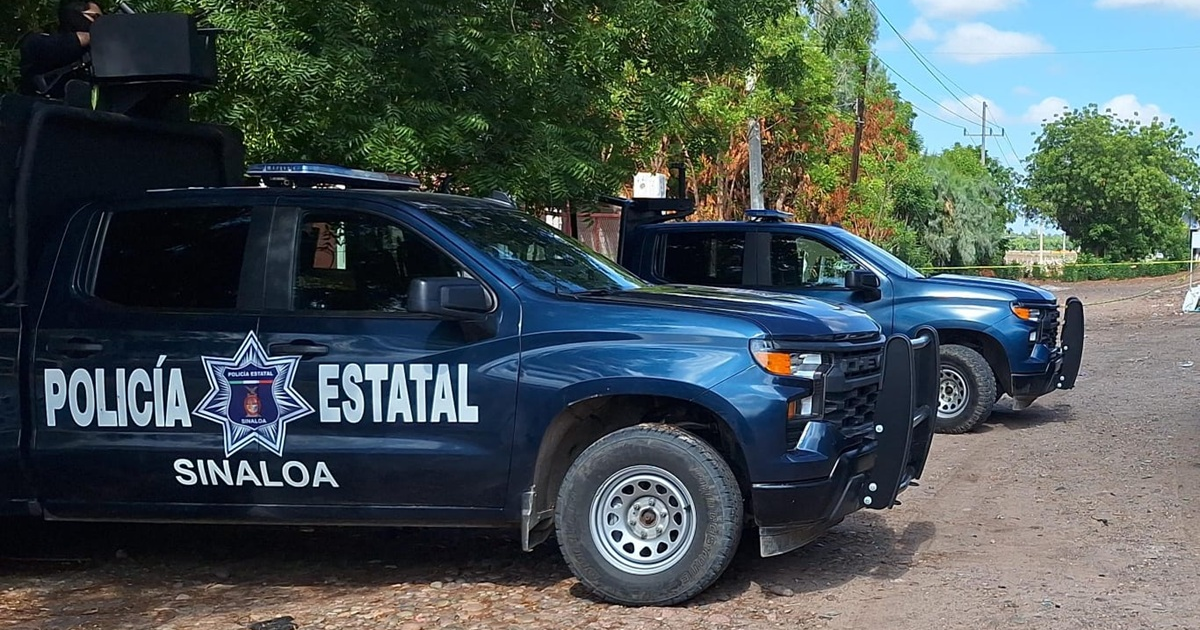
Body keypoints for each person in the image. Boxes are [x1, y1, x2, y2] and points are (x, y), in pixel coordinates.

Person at [18, 1, 104, 99]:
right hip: (44, 110)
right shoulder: (38, 42)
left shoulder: (100, 54)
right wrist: (87, 38)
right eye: (95, 18)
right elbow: (44, 49)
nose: (99, 25)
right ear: (73, 14)